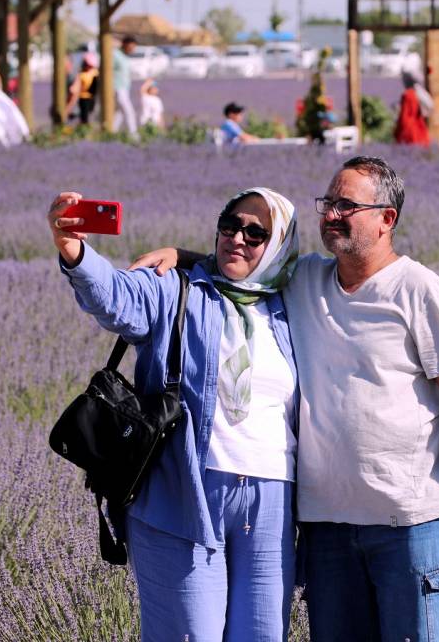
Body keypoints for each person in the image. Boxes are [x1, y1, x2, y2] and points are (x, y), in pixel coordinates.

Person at [133, 155, 439, 642]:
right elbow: (247, 262)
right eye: (327, 203)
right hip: (326, 527)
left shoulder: (420, 290)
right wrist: (182, 254)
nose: (331, 215)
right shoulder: (303, 280)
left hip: (407, 522)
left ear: (387, 219)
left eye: (347, 205)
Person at [47, 186, 301, 641]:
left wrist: (187, 251)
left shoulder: (292, 303)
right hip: (183, 492)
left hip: (271, 507)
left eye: (256, 232)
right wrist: (75, 250)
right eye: (229, 224)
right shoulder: (179, 289)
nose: (237, 238)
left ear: (278, 245)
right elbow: (117, 297)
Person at [394, 70, 431, 146]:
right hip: (420, 129)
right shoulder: (418, 93)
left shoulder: (407, 95)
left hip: (409, 131)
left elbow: (404, 116)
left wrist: (397, 131)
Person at [113, 36, 139, 138]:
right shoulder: (115, 55)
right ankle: (133, 135)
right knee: (129, 111)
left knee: (118, 114)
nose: (133, 49)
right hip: (117, 88)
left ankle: (111, 133)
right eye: (131, 47)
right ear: (125, 44)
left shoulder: (125, 56)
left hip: (124, 88)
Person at [65, 52, 99, 125]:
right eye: (87, 65)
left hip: (91, 97)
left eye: (90, 66)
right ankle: (83, 125)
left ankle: (84, 125)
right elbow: (76, 87)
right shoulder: (81, 74)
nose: (89, 67)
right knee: (84, 114)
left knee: (90, 113)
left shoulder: (94, 73)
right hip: (83, 97)